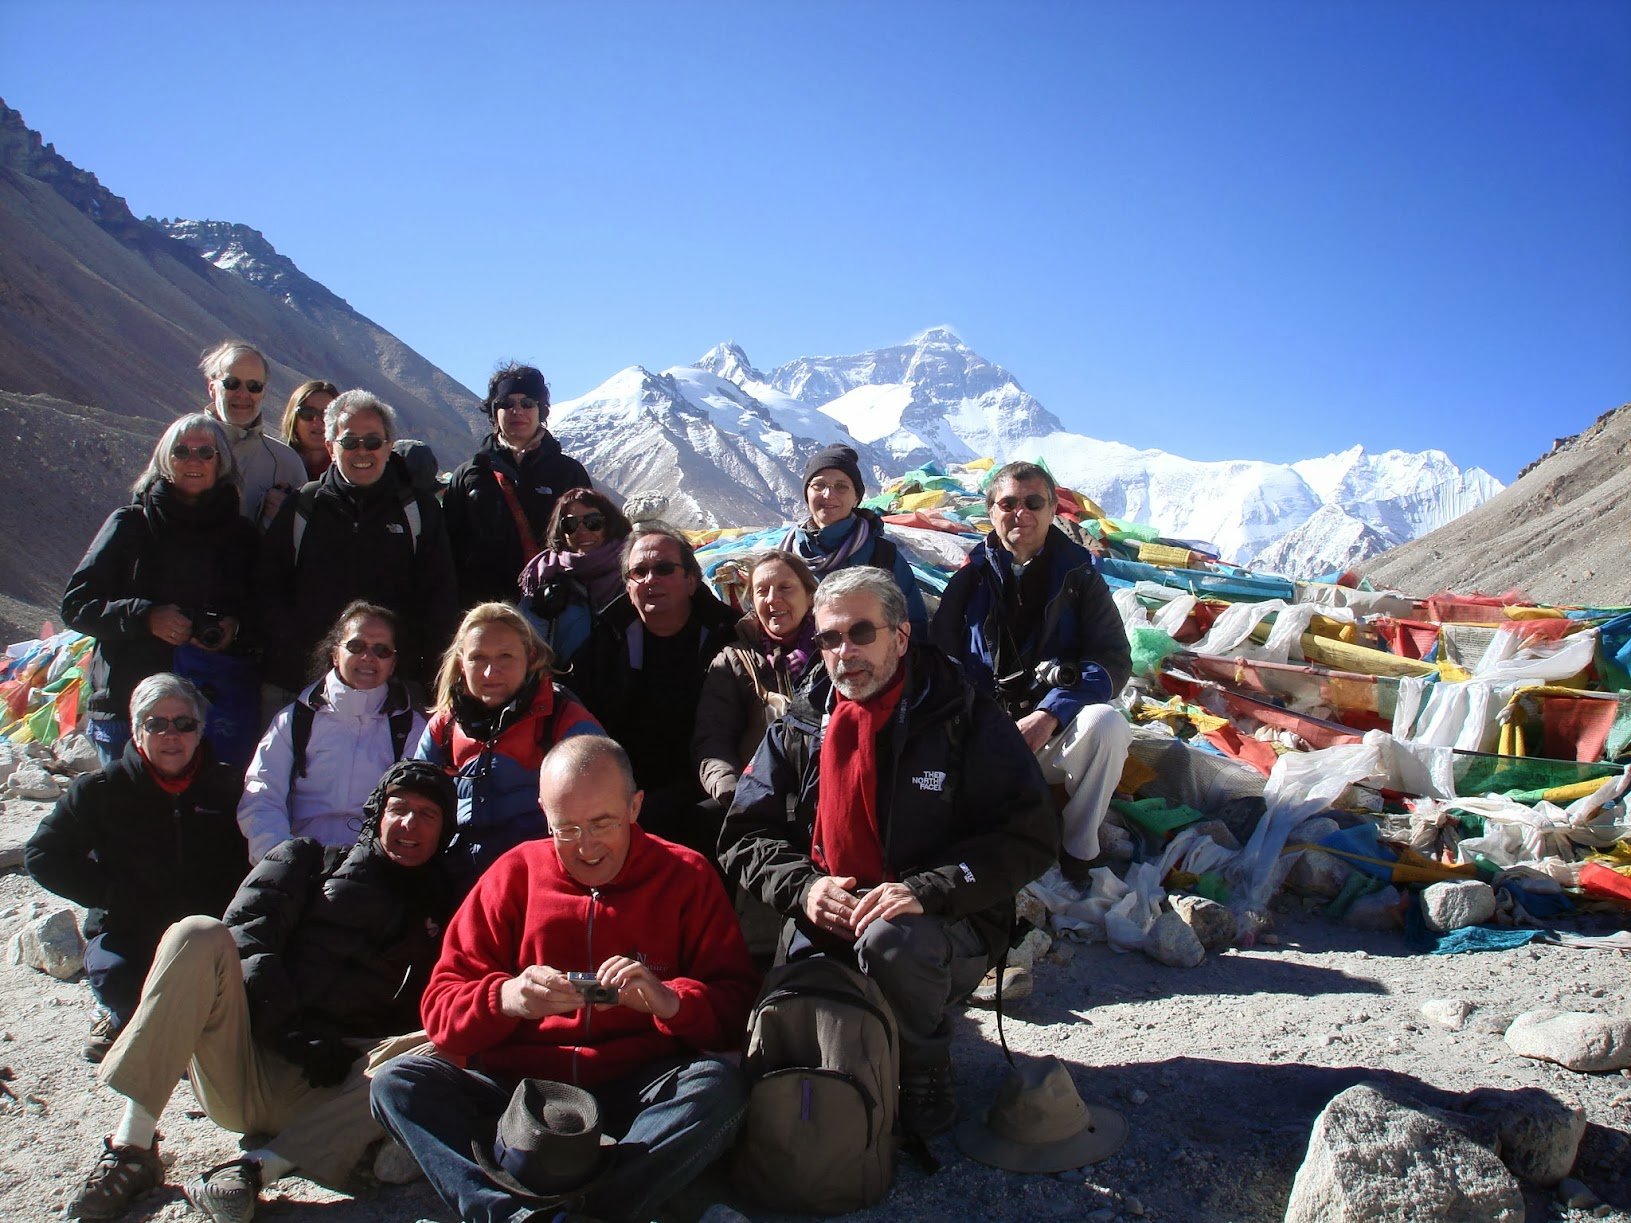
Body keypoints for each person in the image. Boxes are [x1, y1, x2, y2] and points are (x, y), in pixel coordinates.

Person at [719, 567, 1057, 1137]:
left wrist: (926, 889)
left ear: (900, 637)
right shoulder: (803, 724)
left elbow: (1029, 835)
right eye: (828, 638)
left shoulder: (962, 716)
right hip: (832, 904)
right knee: (803, 1023)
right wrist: (804, 887)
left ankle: (925, 1063)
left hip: (944, 917)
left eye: (860, 633)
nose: (843, 652)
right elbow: (744, 834)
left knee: (894, 940)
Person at [370, 735, 756, 1223]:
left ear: (636, 806)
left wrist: (668, 1002)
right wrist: (507, 998)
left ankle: (569, 1212)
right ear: (542, 813)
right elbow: (442, 1009)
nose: (587, 847)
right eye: (566, 829)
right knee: (398, 1082)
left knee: (718, 1087)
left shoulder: (685, 874)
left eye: (603, 824)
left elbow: (736, 1003)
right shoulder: (512, 874)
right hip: (521, 1090)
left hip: (635, 1089)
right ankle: (525, 1215)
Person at [59, 760, 460, 1223]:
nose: (409, 823)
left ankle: (252, 1171)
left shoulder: (446, 912)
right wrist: (287, 1029)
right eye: (399, 808)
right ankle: (132, 1146)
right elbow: (247, 940)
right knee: (196, 934)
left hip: (335, 1089)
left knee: (449, 1044)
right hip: (247, 1062)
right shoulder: (307, 861)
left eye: (427, 814)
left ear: (444, 830)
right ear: (377, 814)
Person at [25, 674, 248, 1064]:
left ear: (199, 731)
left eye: (184, 724)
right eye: (156, 724)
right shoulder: (101, 790)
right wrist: (111, 896)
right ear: (136, 729)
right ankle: (117, 1017)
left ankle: (174, 1029)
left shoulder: (229, 786)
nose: (171, 735)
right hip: (130, 929)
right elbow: (44, 855)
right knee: (119, 980)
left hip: (209, 933)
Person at [931, 461, 1133, 881]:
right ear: (991, 512)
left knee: (1108, 725)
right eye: (1007, 502)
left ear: (1051, 510)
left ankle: (1078, 848)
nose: (1019, 512)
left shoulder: (1080, 578)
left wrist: (1050, 713)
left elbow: (1113, 659)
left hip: (1050, 732)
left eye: (1032, 502)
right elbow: (939, 657)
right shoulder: (970, 580)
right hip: (982, 734)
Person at [61, 413, 261, 767]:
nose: (193, 461)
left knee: (208, 817)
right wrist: (146, 616)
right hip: (129, 707)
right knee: (130, 816)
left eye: (205, 452)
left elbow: (263, 607)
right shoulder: (130, 524)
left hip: (213, 707)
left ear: (222, 463)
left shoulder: (241, 536)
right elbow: (77, 605)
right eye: (182, 451)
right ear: (164, 460)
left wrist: (235, 628)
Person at [256, 389, 459, 707]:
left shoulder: (417, 511)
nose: (362, 451)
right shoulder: (303, 507)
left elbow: (439, 599)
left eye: (373, 441)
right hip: (303, 686)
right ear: (330, 447)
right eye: (349, 442)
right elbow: (269, 589)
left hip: (394, 689)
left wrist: (424, 676)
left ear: (389, 446)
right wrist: (292, 655)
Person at [567, 522, 737, 854]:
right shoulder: (606, 640)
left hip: (707, 785)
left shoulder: (727, 636)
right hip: (626, 787)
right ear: (627, 587)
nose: (650, 580)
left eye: (663, 568)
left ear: (691, 580)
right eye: (639, 572)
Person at [415, 602, 601, 892]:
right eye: (478, 658)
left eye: (505, 656)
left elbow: (605, 805)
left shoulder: (561, 718)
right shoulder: (445, 727)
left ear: (530, 657)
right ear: (461, 663)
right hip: (459, 883)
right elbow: (414, 802)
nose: (491, 672)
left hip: (542, 883)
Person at [237, 601, 426, 864]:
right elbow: (262, 794)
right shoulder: (294, 720)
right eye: (356, 646)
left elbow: (416, 808)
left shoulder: (410, 728)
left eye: (381, 650)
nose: (368, 657)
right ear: (335, 654)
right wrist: (278, 859)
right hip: (297, 860)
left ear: (393, 663)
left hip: (374, 865)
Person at [443, 362, 592, 608]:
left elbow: (590, 540)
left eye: (527, 403)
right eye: (506, 403)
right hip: (485, 607)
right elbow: (450, 548)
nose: (517, 411)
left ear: (541, 410)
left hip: (556, 607)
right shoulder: (470, 475)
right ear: (494, 411)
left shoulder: (568, 473)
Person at [693, 549, 820, 808]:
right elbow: (715, 736)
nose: (773, 599)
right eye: (762, 591)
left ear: (810, 596)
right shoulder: (734, 660)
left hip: (825, 786)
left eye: (785, 588)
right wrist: (731, 788)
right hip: (758, 792)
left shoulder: (833, 651)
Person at [781, 443, 927, 634]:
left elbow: (913, 626)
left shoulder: (882, 556)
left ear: (856, 498)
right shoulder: (786, 555)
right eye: (819, 485)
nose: (828, 494)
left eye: (841, 487)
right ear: (806, 493)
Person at [198, 339, 306, 528]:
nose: (243, 394)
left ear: (263, 392)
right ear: (212, 388)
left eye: (254, 386)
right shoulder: (181, 449)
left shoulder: (286, 463)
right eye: (232, 383)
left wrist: (284, 517)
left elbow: (304, 539)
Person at [517, 486, 633, 662]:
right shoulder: (544, 575)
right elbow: (526, 641)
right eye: (570, 525)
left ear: (610, 524)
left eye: (593, 522)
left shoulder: (636, 568)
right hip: (566, 681)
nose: (582, 531)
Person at [279, 378, 339, 481]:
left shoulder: (351, 473)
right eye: (308, 413)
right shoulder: (273, 465)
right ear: (294, 420)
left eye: (327, 414)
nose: (318, 421)